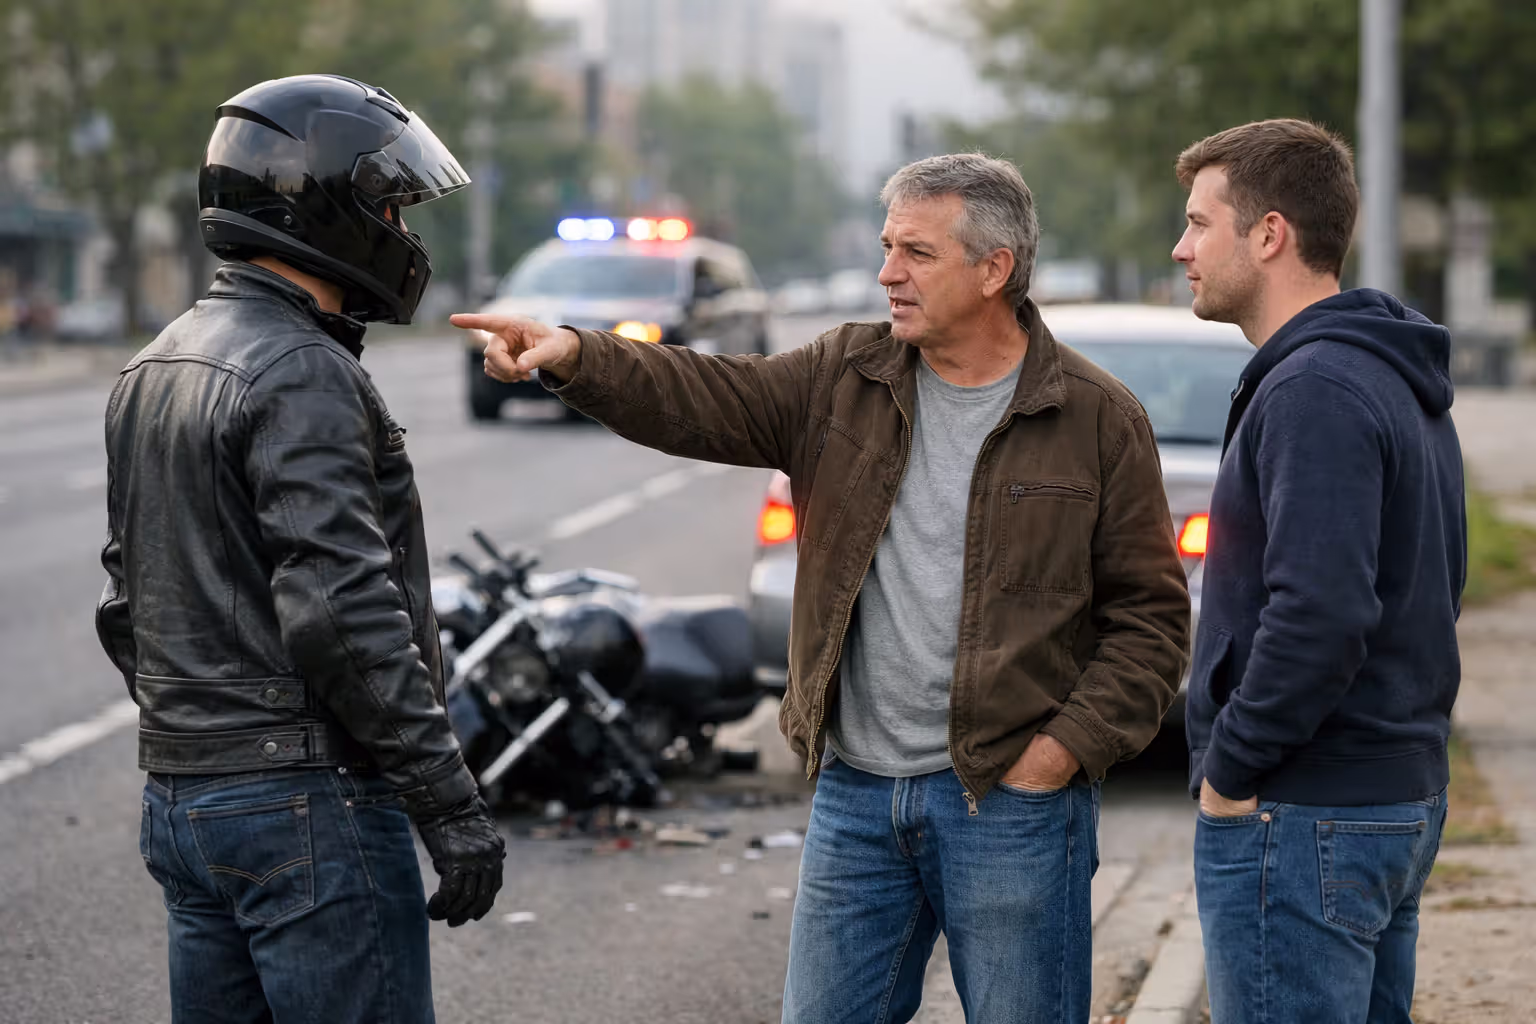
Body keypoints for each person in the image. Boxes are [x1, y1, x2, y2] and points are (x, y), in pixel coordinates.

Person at [456, 153, 1190, 1022]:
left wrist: (1059, 754)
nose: (888, 273)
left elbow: (1150, 623)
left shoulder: (1097, 420)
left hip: (1009, 805)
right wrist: (573, 353)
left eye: (916, 253)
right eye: (887, 248)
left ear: (994, 270)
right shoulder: (845, 376)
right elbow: (700, 391)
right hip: (856, 795)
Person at [96, 74, 505, 1024]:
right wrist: (447, 801)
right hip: (305, 801)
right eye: (393, 205)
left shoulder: (158, 359)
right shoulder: (303, 372)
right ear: (324, 204)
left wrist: (198, 736)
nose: (405, 230)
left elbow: (128, 596)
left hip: (184, 797)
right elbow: (340, 606)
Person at [1173, 118, 1466, 1024]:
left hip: (1305, 814)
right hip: (1381, 800)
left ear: (1269, 235)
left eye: (1198, 223)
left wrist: (1231, 774)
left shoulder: (1316, 389)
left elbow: (1323, 612)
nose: (1180, 248)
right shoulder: (1381, 372)